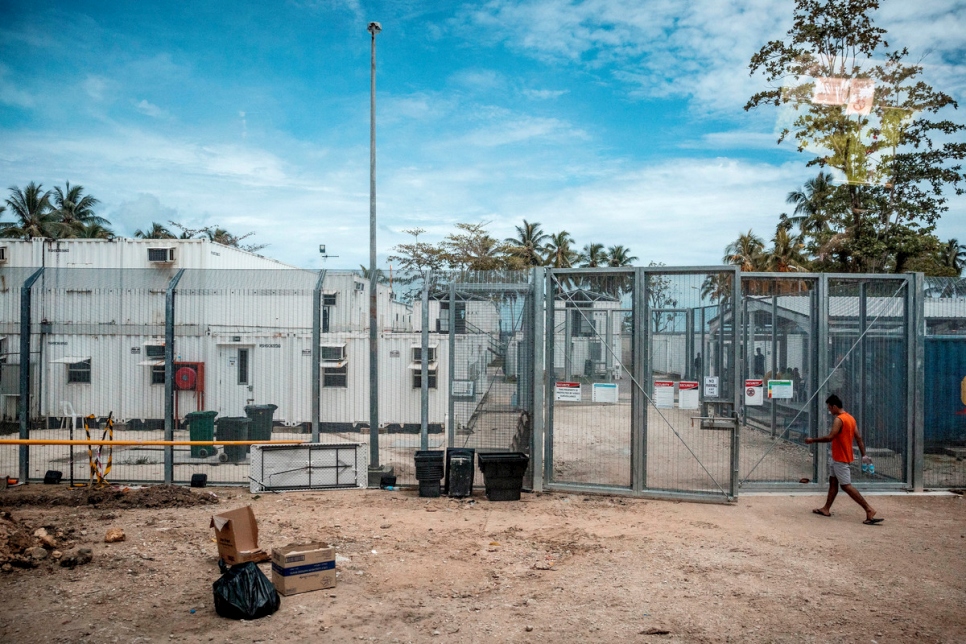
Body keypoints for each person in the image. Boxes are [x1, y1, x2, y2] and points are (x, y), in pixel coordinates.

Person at [805, 395, 882, 525]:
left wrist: (813, 440)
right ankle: (826, 509)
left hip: (840, 457)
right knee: (833, 482)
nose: (829, 410)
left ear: (834, 406)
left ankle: (869, 509)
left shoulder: (839, 420)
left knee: (846, 486)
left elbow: (830, 437)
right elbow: (859, 438)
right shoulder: (850, 418)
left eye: (829, 408)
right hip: (838, 457)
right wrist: (864, 456)